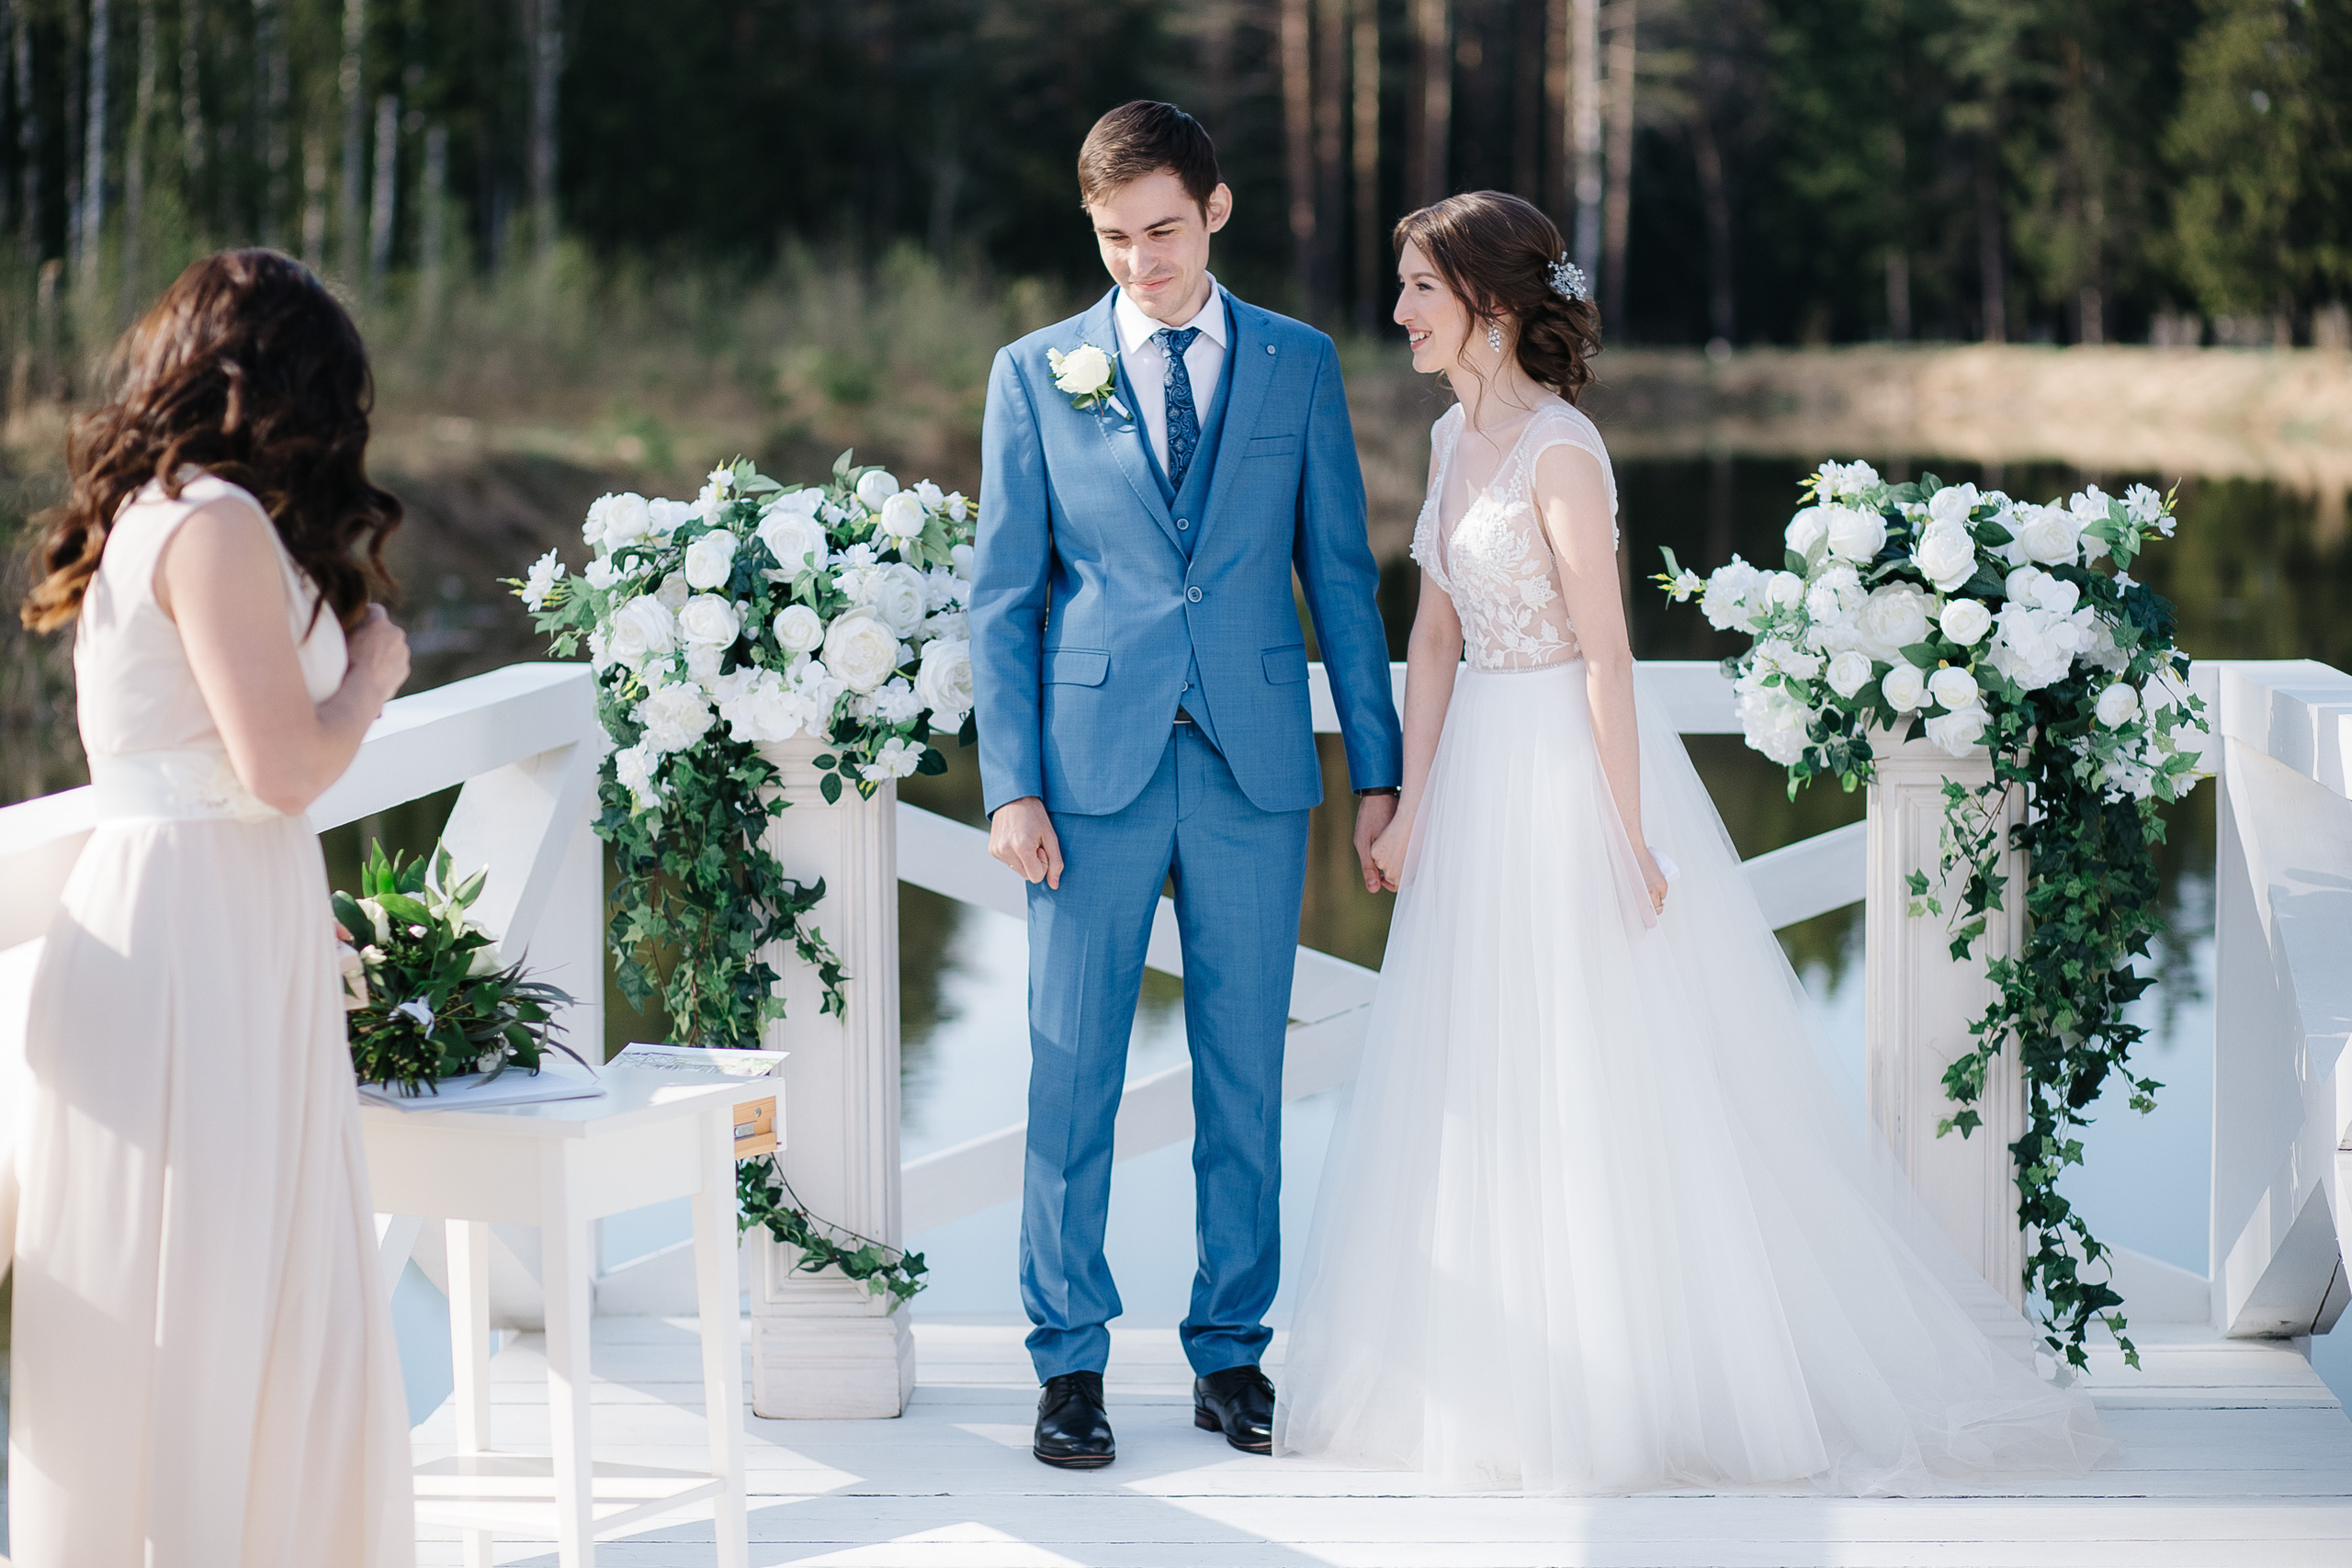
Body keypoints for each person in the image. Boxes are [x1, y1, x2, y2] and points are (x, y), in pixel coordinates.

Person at [1274, 192, 2112, 1495]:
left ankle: (1621, 1385)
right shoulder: (1448, 439)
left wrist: (1629, 833)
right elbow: (1431, 639)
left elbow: (1609, 657)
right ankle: (1490, 1367)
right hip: (1476, 774)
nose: (1399, 314)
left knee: (1594, 1064)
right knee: (1481, 1062)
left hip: (1561, 768)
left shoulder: (1563, 452)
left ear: (1489, 303)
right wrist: (1415, 803)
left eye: (1420, 291)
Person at [973, 100, 1404, 1469]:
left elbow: (1341, 579)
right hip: (1088, 773)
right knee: (1069, 1072)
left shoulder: (1298, 365)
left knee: (1242, 1073)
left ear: (1216, 212)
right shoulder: (1034, 372)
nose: (1141, 263)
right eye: (1113, 238)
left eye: (1163, 230)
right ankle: (1070, 1366)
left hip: (1254, 767)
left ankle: (1231, 1353)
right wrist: (1008, 785)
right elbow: (1004, 601)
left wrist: (1381, 777)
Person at [13, 250, 416, 1564]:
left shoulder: (158, 512)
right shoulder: (213, 522)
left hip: (215, 916)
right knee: (215, 1294)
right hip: (193, 940)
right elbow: (283, 766)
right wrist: (371, 673)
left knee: (214, 1292)